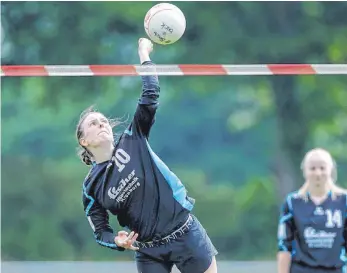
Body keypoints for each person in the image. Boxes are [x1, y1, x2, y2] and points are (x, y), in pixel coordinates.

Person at [77, 38, 218, 273]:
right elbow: (100, 232)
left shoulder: (133, 139)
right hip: (149, 251)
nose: (101, 124)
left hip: (185, 234)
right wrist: (117, 241)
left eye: (104, 121)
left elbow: (151, 92)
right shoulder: (91, 187)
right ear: (84, 141)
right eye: (93, 123)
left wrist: (144, 53)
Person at [277, 148, 347, 273]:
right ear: (304, 171)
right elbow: (284, 247)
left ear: (331, 169)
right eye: (312, 168)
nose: (318, 173)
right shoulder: (293, 202)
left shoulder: (343, 201)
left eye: (322, 168)